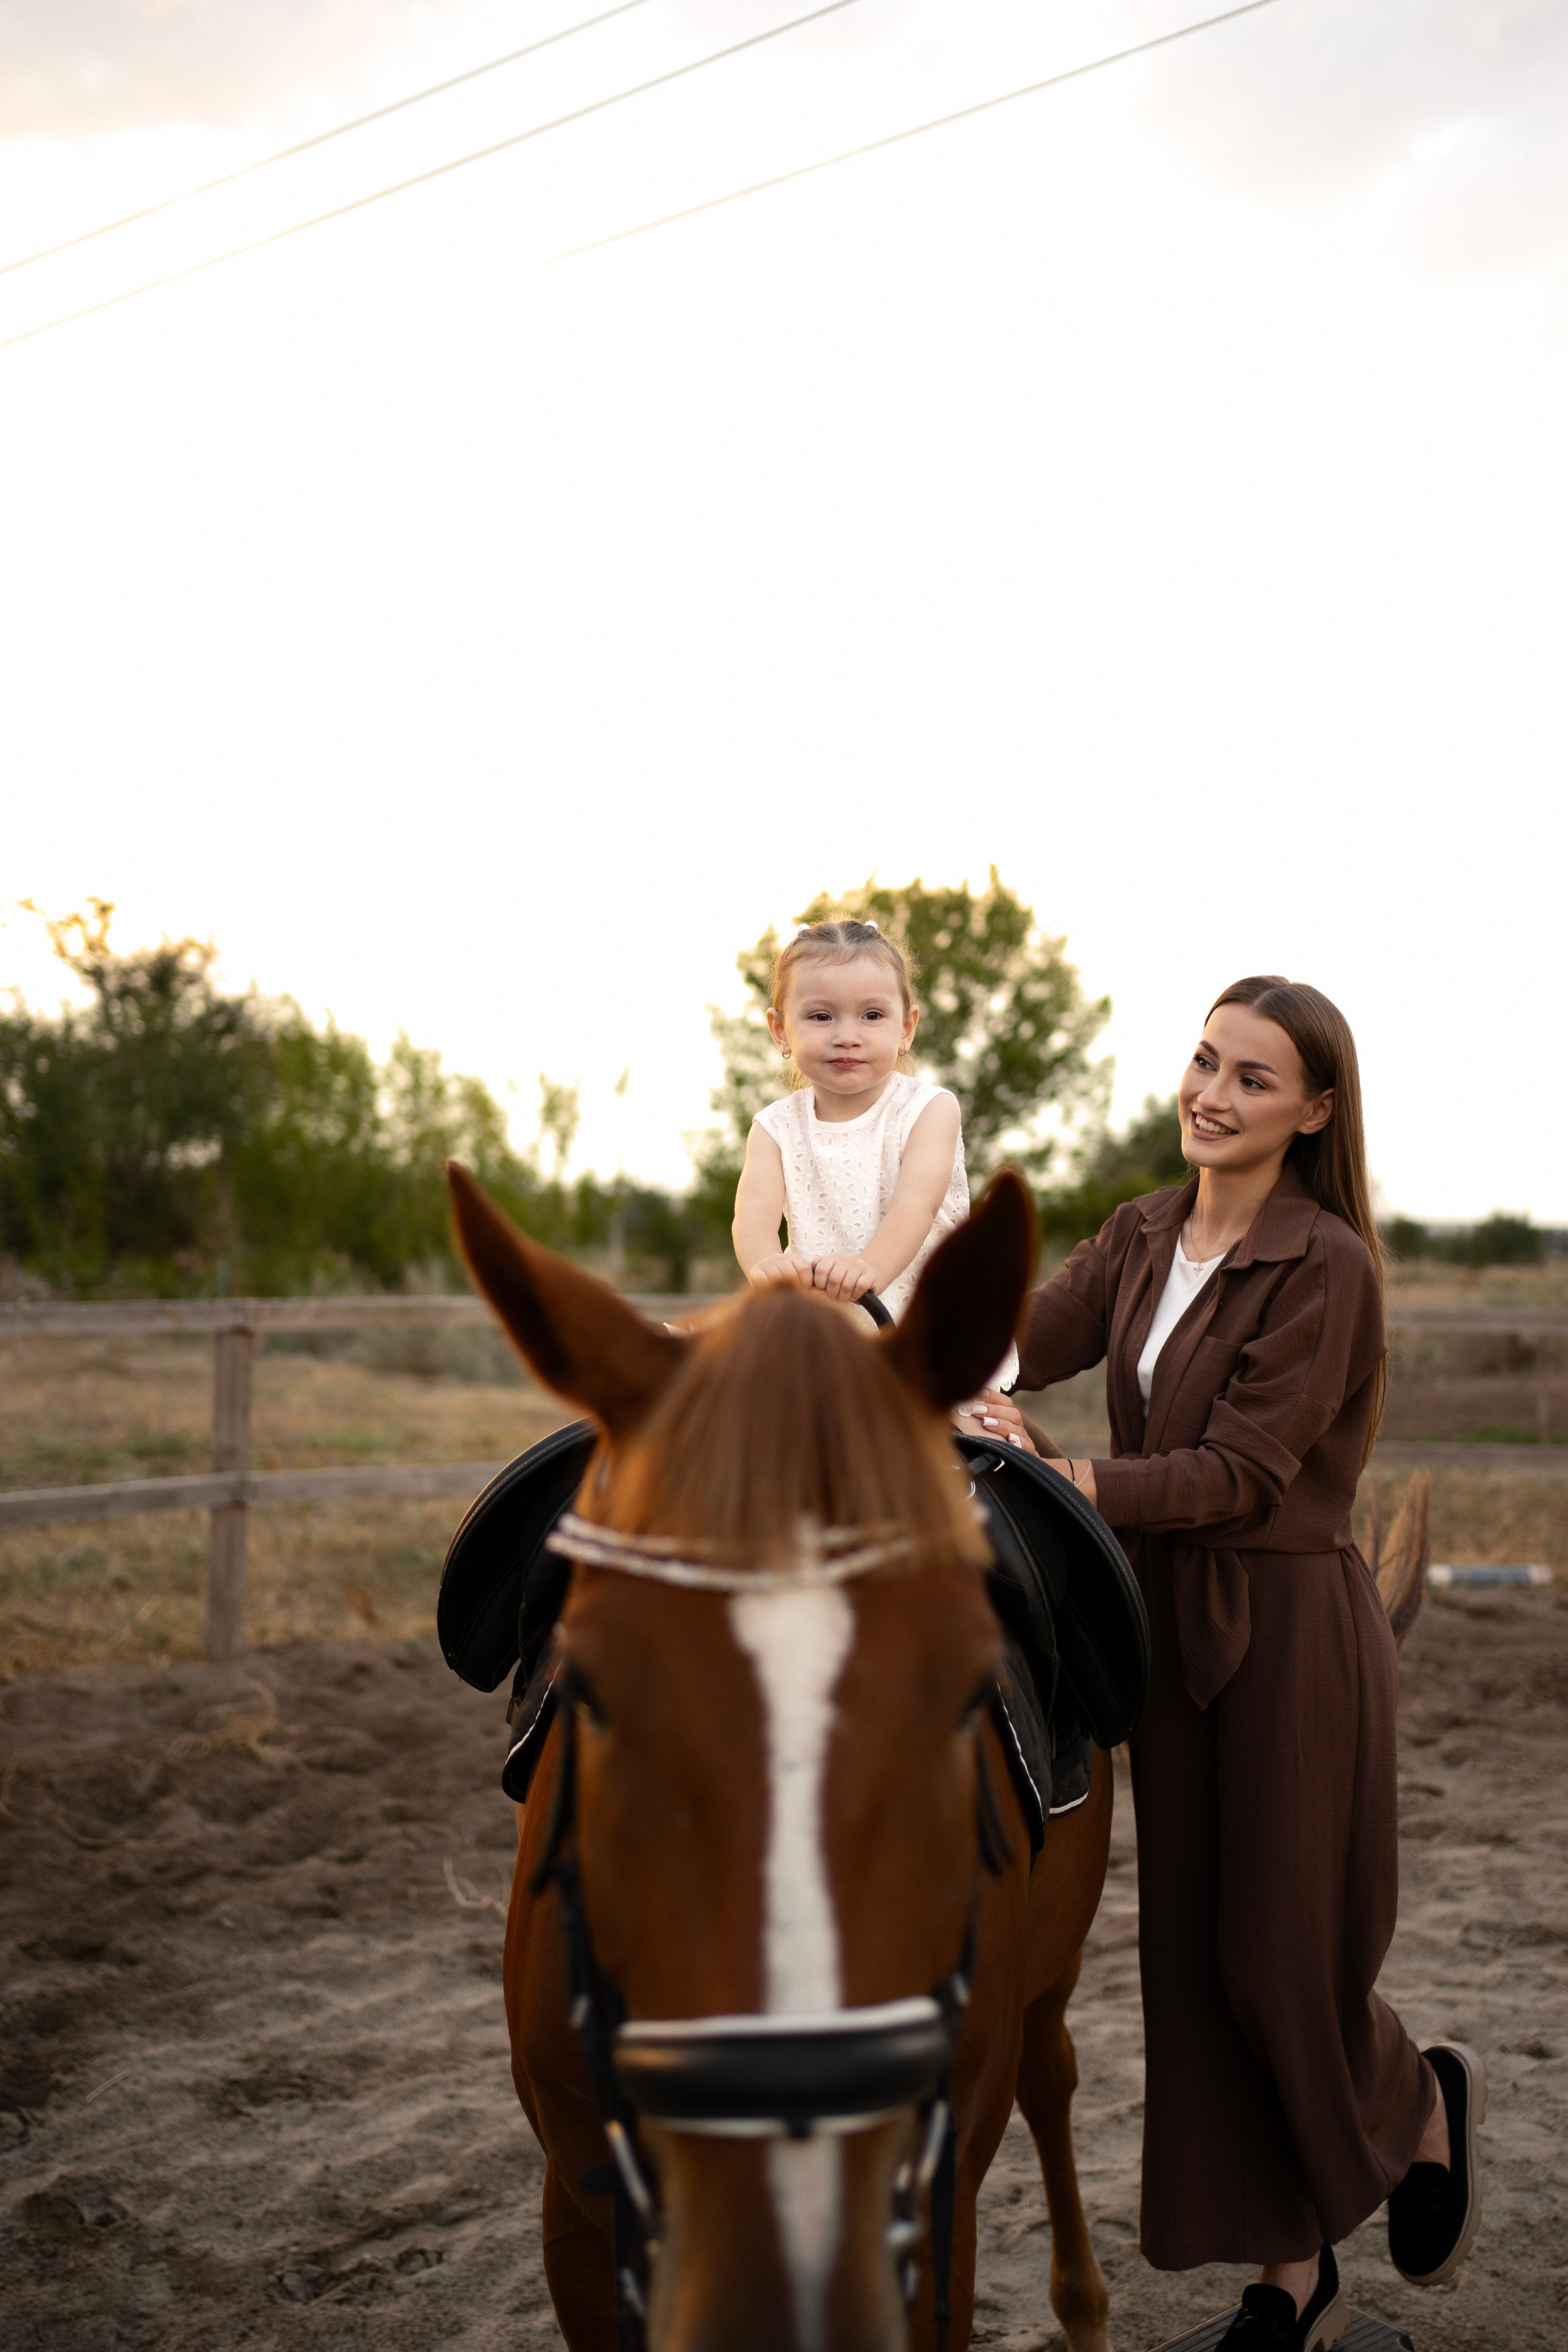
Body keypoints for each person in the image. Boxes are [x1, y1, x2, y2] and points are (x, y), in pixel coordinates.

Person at [970, 976, 1483, 2352]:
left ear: (1313, 1111)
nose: (1210, 1092)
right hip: (1162, 1641)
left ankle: (1417, 2101)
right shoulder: (1144, 1233)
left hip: (1285, 1641)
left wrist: (1062, 1471)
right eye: (1204, 1061)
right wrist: (927, 1356)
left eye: (1251, 1078)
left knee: (1276, 1961)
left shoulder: (1326, 1268)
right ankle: (1290, 2270)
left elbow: (1244, 1476)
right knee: (1200, 1972)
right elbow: (1037, 1328)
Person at [731, 917, 1018, 1391]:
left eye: (872, 1015)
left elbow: (915, 1204)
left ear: (907, 1026)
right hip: (822, 1334)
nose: (847, 1035)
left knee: (972, 1441)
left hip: (923, 1324)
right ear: (781, 1030)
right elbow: (754, 1213)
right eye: (821, 1016)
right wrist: (765, 1266)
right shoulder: (774, 1127)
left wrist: (869, 1268)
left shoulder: (930, 1109)